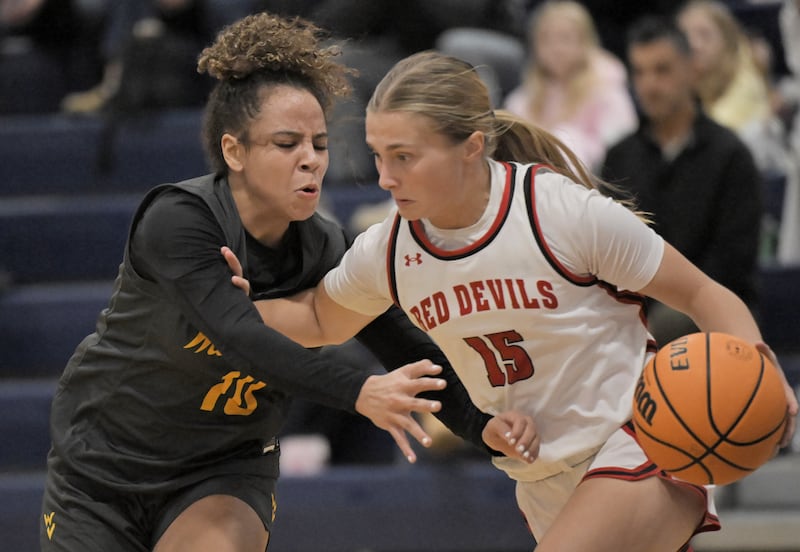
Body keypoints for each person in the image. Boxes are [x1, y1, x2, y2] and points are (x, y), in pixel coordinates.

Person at [227, 49, 798, 550]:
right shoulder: (390, 251)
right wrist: (212, 311)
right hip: (542, 480)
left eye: (404, 156)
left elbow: (703, 292)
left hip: (640, 440)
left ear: (471, 148)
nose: (385, 177)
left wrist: (763, 370)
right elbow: (319, 319)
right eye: (378, 155)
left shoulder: (557, 212)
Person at [40, 13, 535, 552]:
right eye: (285, 144)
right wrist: (358, 391)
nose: (310, 161)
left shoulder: (326, 247)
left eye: (319, 145)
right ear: (235, 152)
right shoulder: (179, 219)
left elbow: (404, 343)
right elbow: (241, 336)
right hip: (104, 465)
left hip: (222, 468)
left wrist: (480, 423)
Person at [601, 16, 762, 347]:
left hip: (714, 316)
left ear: (692, 69)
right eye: (640, 72)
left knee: (669, 322)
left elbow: (732, 264)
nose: (649, 84)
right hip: (635, 312)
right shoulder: (619, 156)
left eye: (662, 70)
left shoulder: (731, 155)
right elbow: (606, 253)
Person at [503, 0, 638, 172]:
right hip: (534, 183)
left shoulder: (606, 89)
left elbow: (621, 147)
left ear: (585, 42)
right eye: (546, 39)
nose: (556, 48)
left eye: (565, 38)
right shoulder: (523, 99)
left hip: (593, 182)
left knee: (566, 139)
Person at [676, 0, 783, 172]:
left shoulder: (746, 78)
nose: (695, 45)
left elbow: (719, 148)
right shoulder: (680, 84)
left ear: (728, 39)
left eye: (704, 35)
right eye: (686, 36)